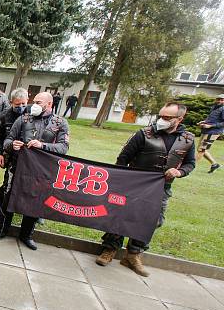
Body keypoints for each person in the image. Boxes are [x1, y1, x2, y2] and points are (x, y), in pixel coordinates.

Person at [96, 102, 195, 276]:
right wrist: (123, 181)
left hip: (161, 188)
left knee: (152, 220)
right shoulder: (144, 134)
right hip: (134, 184)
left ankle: (133, 254)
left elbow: (190, 163)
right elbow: (123, 158)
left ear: (179, 119)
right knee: (121, 215)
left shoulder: (187, 139)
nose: (161, 120)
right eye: (160, 116)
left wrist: (179, 172)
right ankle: (110, 249)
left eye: (167, 117)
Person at [0, 92, 69, 250]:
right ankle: (1, 229)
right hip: (18, 166)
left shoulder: (60, 123)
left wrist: (43, 146)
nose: (34, 104)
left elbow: (63, 147)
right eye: (34, 101)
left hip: (43, 171)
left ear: (49, 104)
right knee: (9, 197)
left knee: (35, 203)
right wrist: (12, 145)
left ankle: (26, 235)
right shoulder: (24, 118)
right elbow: (8, 140)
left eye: (39, 102)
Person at [0, 88, 29, 240]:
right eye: (18, 104)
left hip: (28, 158)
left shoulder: (32, 114)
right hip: (10, 154)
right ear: (12, 102)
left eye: (24, 104)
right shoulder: (3, 116)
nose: (21, 107)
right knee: (8, 185)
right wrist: (0, 154)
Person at [196, 93, 224, 173]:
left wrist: (210, 126)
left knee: (201, 149)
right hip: (206, 130)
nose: (219, 101)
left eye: (222, 100)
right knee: (201, 149)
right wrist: (204, 122)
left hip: (213, 132)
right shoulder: (214, 107)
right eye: (218, 99)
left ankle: (190, 167)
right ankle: (214, 164)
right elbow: (212, 118)